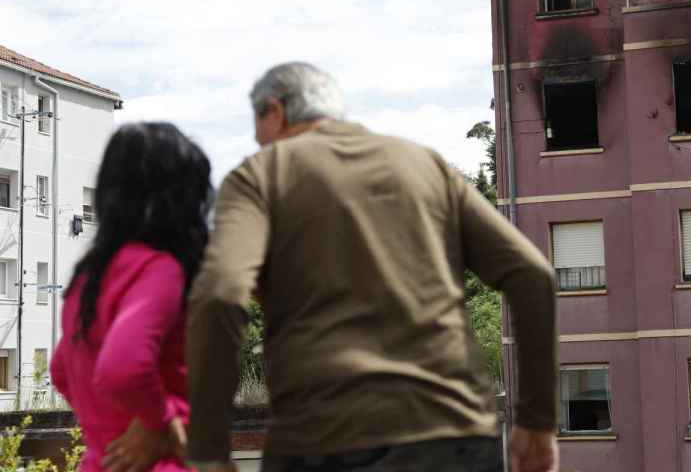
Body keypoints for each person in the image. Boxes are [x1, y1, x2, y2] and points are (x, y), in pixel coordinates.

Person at [184, 62, 559, 472]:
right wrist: (537, 423)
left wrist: (209, 451)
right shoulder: (424, 165)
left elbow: (219, 294)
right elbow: (532, 274)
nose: (261, 147)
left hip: (325, 441)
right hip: (456, 436)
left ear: (274, 111)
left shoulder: (259, 176)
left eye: (261, 136)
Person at [50, 123, 213, 472]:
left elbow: (61, 370)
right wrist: (162, 423)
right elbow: (124, 367)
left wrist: (107, 424)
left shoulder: (88, 274)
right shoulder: (159, 269)